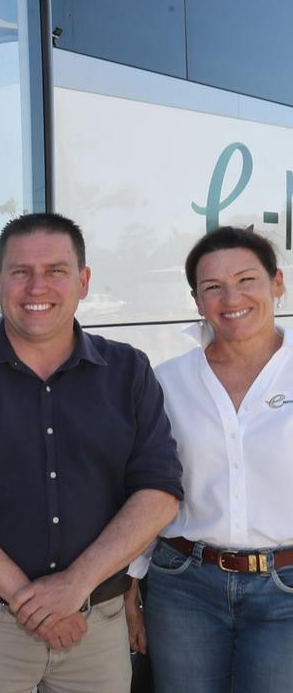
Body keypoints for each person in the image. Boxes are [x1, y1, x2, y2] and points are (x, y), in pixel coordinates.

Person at [0, 212, 183, 692]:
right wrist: (28, 599)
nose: (38, 287)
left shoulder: (128, 371)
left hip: (94, 622)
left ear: (83, 280)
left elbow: (159, 491)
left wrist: (74, 586)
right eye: (20, 272)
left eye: (56, 270)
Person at [134, 226, 293, 692]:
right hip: (184, 586)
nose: (232, 297)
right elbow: (146, 485)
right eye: (213, 287)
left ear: (277, 283)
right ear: (197, 301)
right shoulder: (166, 382)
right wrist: (131, 579)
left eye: (247, 280)